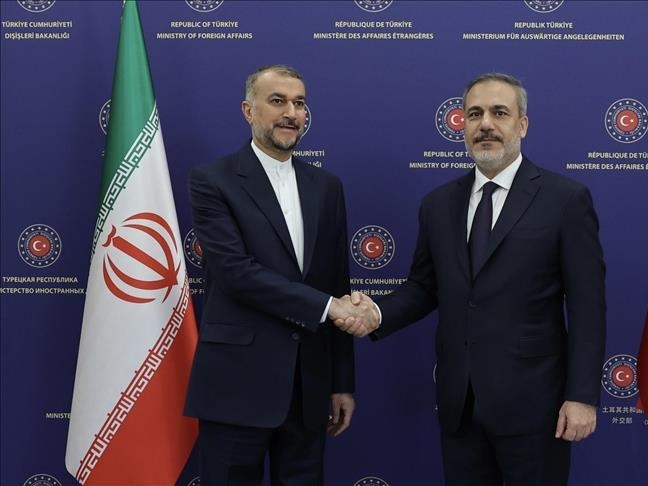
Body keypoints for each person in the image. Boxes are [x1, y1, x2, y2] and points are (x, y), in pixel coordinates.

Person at [340, 72, 607, 485]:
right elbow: (424, 287)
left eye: (500, 113)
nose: (486, 124)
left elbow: (588, 307)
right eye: (474, 114)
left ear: (522, 124)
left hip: (536, 408)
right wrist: (376, 313)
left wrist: (582, 396)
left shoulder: (565, 200)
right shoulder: (438, 204)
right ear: (461, 125)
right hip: (460, 407)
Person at [184, 64, 376, 485]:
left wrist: (341, 382)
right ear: (248, 111)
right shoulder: (212, 181)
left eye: (299, 103)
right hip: (236, 385)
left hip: (308, 388)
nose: (291, 113)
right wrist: (328, 307)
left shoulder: (327, 186)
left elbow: (337, 282)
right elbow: (236, 273)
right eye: (277, 101)